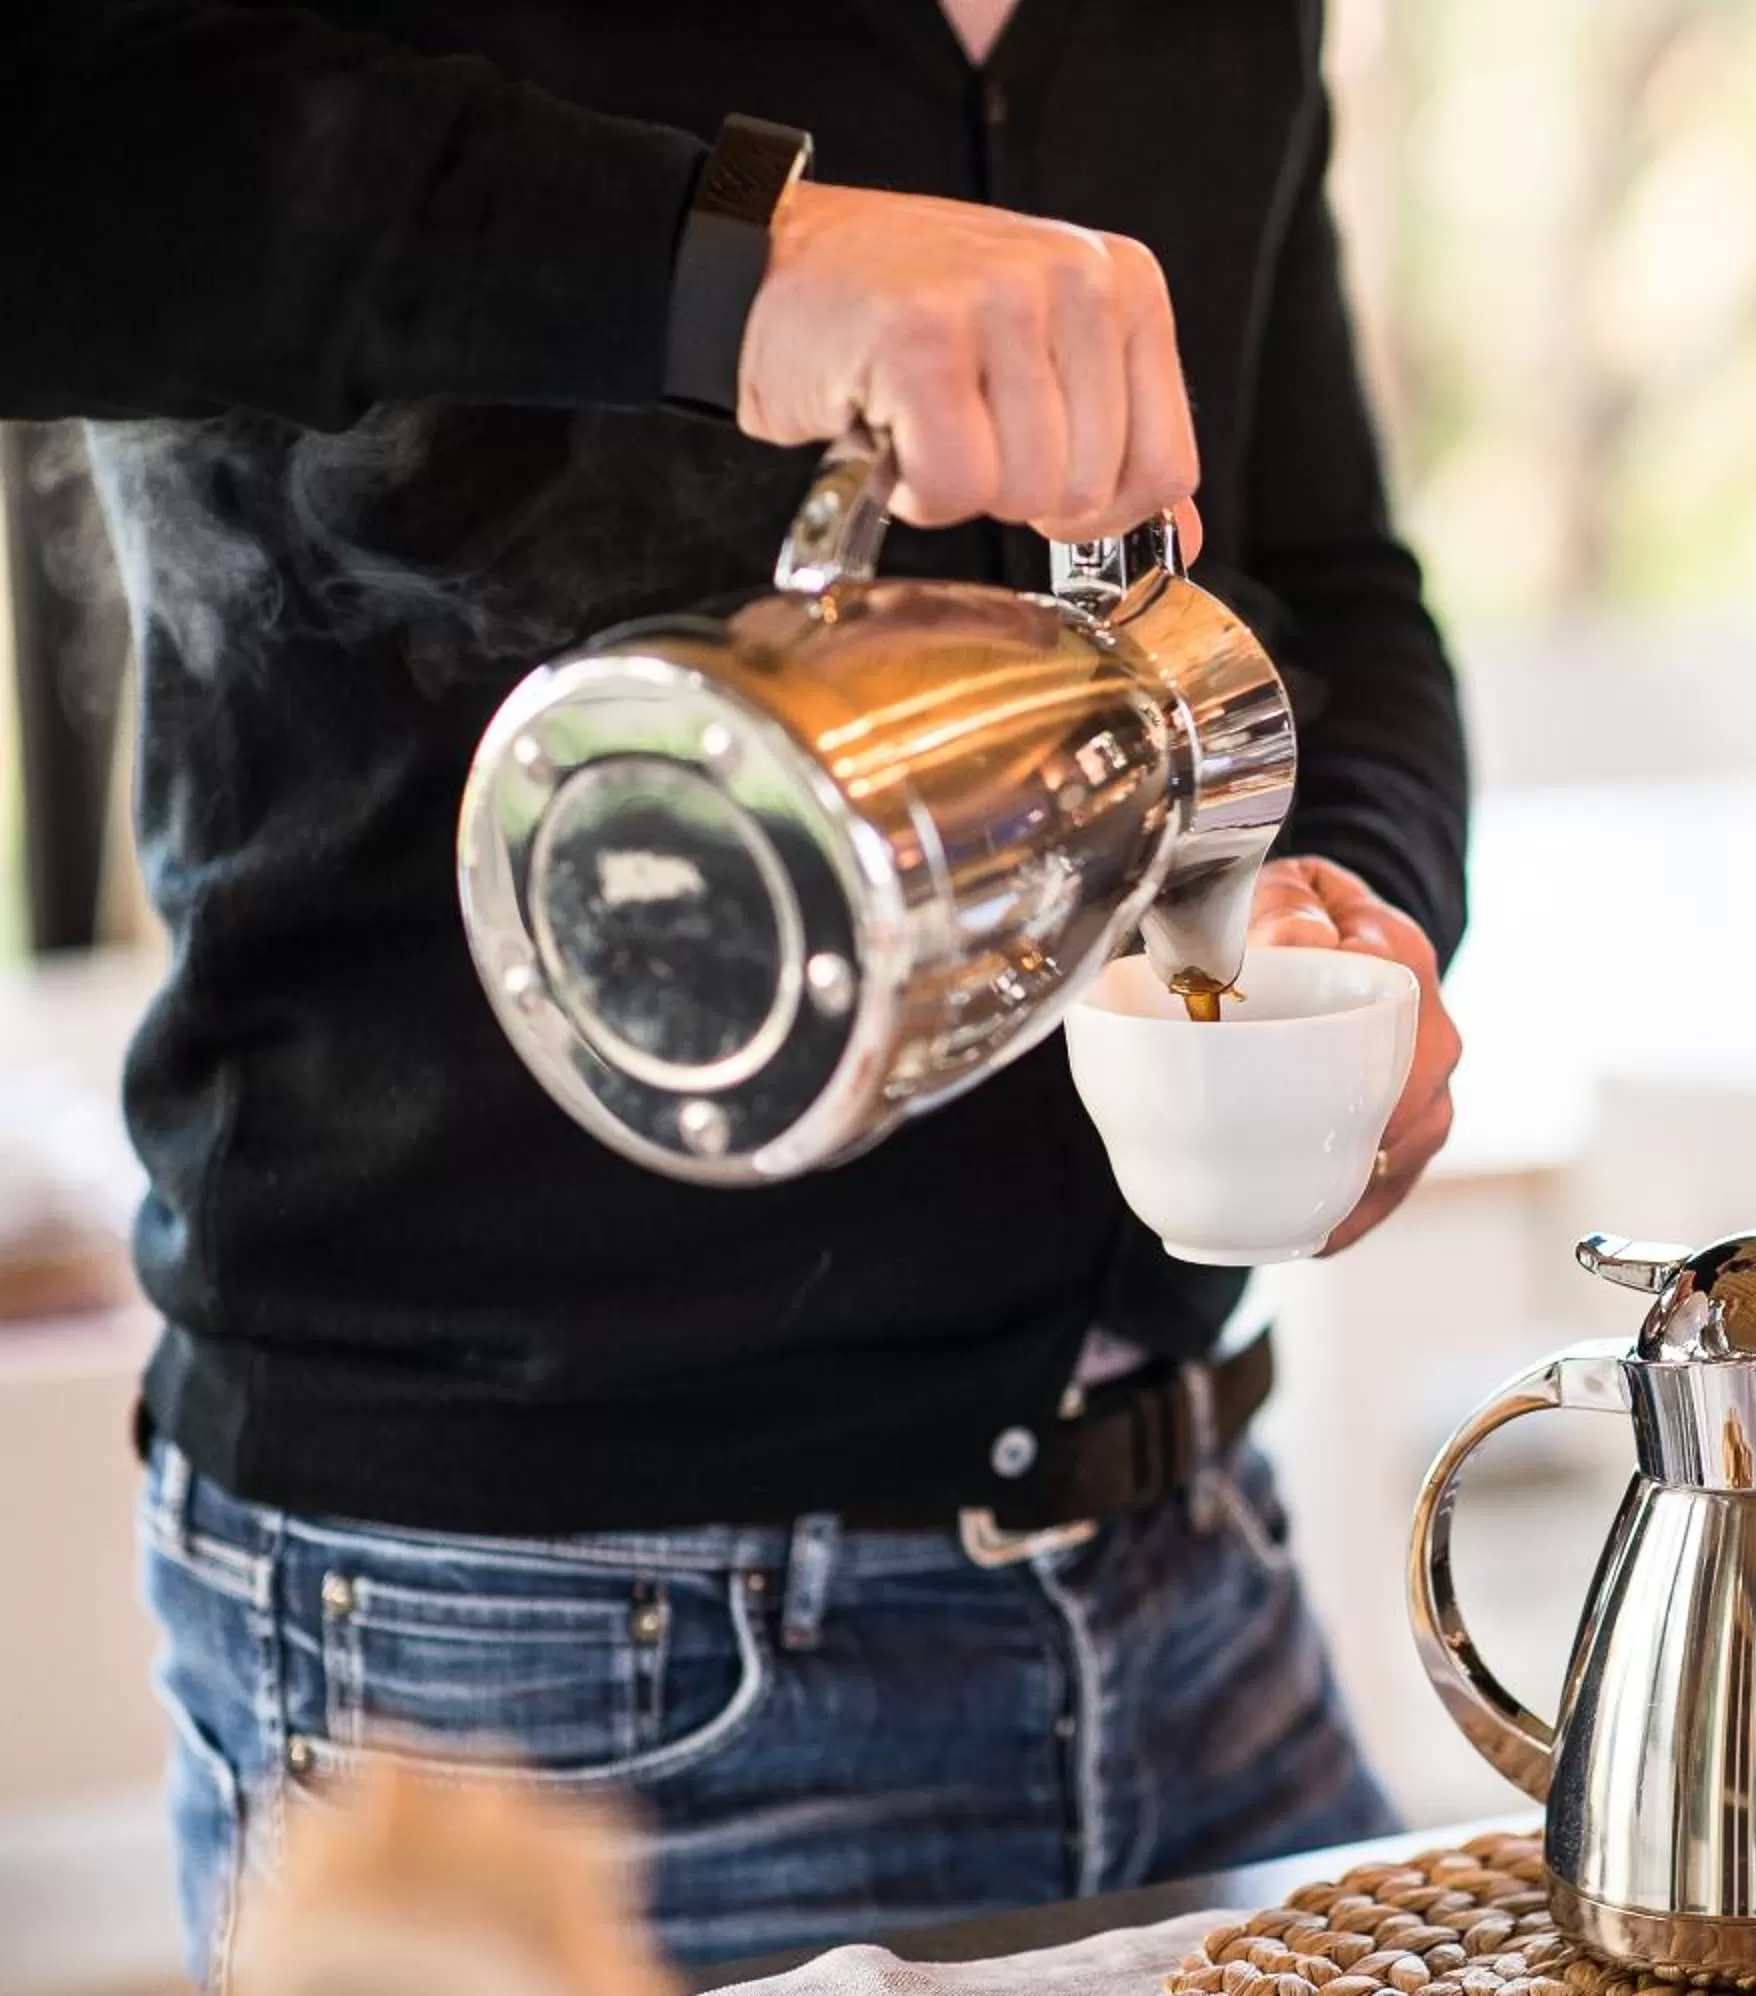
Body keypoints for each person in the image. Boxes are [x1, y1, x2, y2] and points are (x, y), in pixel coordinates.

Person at [6, 0, 1469, 1981]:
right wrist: (741, 264)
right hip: (537, 1675)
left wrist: (1352, 898)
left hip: (1193, 1594)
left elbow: (1327, 582)